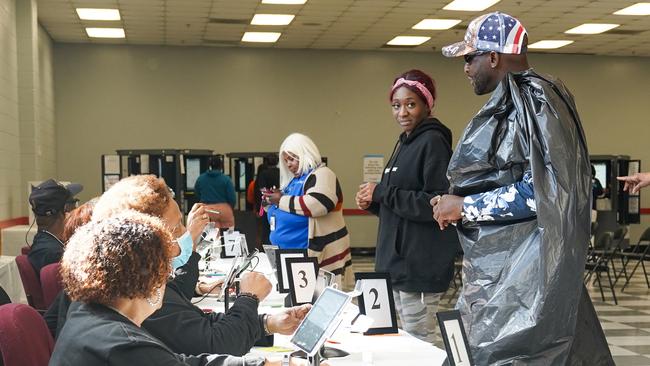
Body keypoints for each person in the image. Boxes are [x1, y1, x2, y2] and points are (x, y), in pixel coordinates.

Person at [433, 12, 612, 365]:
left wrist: (465, 206)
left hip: (526, 276)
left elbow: (544, 193)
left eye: (470, 58)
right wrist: (457, 200)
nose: (466, 68)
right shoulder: (520, 103)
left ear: (494, 56)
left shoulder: (537, 101)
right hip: (512, 269)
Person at [49, 212, 306, 366]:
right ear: (143, 278)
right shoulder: (123, 346)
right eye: (165, 270)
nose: (169, 277)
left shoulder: (89, 313)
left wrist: (264, 362)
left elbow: (180, 362)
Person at [354, 69, 458, 345]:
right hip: (398, 262)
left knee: (419, 339)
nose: (402, 112)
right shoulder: (405, 142)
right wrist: (374, 202)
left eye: (411, 104)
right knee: (406, 338)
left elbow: (435, 205)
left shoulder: (433, 141)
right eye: (396, 105)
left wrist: (383, 192)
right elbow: (399, 204)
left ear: (427, 104)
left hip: (419, 264)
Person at [263, 133, 352, 279]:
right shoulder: (294, 180)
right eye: (285, 160)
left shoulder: (323, 174)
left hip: (317, 260)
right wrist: (269, 203)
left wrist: (280, 200)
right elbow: (286, 207)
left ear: (306, 154)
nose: (288, 164)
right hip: (293, 260)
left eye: (292, 158)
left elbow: (318, 205)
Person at [27, 179, 82, 275]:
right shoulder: (53, 254)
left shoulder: (46, 243)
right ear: (66, 210)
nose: (77, 211)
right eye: (74, 204)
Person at [195, 156, 236, 229]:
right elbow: (232, 198)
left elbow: (197, 194)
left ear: (210, 166)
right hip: (224, 210)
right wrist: (229, 208)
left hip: (207, 209)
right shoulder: (226, 180)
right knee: (228, 235)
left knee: (210, 236)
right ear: (221, 166)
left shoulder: (201, 179)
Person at [255, 154, 280, 244]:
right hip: (281, 204)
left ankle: (266, 249)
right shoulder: (281, 173)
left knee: (266, 229)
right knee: (278, 227)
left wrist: (259, 208)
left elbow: (261, 190)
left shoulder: (263, 174)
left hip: (268, 205)